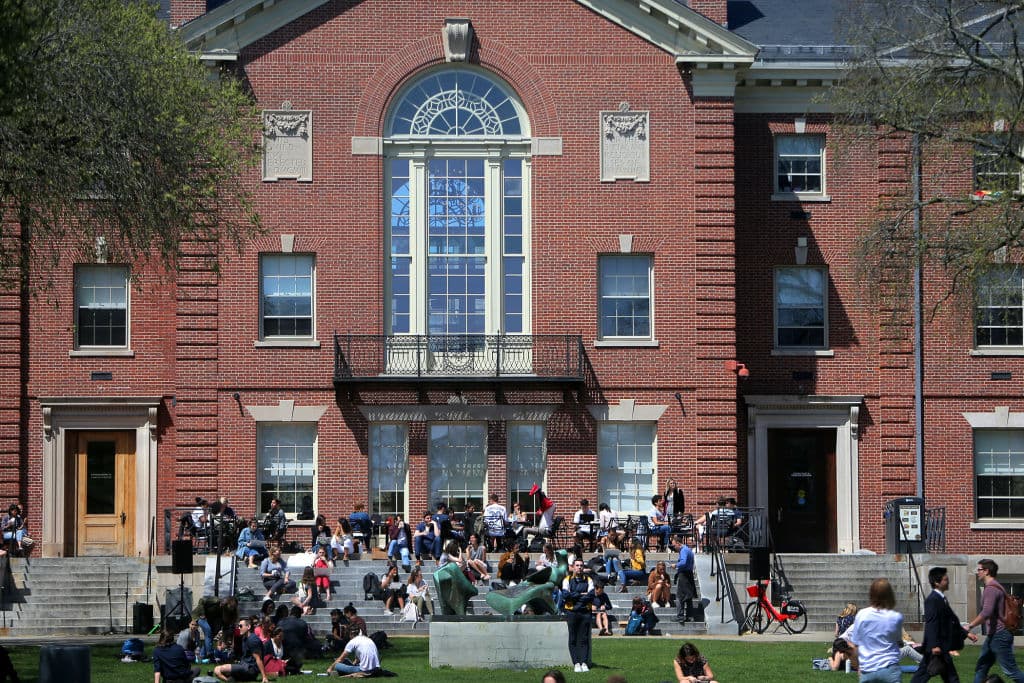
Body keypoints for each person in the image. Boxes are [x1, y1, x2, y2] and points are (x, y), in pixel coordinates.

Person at [910, 566, 976, 683]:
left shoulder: (941, 599)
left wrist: (966, 633)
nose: (948, 581)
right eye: (945, 580)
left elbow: (952, 621)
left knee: (950, 678)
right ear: (937, 583)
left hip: (941, 647)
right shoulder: (932, 600)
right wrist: (935, 646)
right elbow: (932, 624)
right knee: (922, 678)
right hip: (935, 648)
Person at [966, 559, 1024, 683]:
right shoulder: (996, 587)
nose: (978, 572)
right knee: (981, 667)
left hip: (999, 635)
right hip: (994, 635)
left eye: (979, 569)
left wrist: (969, 626)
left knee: (1011, 671)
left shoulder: (991, 589)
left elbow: (986, 612)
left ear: (986, 571)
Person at [848, 578, 904, 682]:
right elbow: (898, 641)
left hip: (867, 669)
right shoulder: (896, 617)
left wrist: (858, 666)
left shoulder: (861, 614)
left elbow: (855, 645)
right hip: (890, 667)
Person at [562, 558, 595, 673]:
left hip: (585, 612)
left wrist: (574, 595)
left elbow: (591, 596)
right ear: (573, 567)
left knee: (584, 638)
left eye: (581, 565)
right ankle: (576, 663)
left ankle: (584, 663)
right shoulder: (567, 579)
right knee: (573, 638)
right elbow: (566, 595)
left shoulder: (589, 580)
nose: (579, 567)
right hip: (571, 612)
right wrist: (581, 594)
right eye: (577, 565)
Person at [213, 616, 268, 683]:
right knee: (221, 672)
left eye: (241, 626)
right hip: (243, 665)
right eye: (238, 626)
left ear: (248, 627)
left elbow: (258, 658)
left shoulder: (253, 640)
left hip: (249, 669)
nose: (239, 628)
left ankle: (231, 680)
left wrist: (264, 677)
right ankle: (231, 680)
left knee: (217, 669)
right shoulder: (245, 638)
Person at [671, 534, 697, 624]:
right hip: (689, 574)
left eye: (674, 545)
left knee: (680, 597)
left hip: (684, 575)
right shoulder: (688, 550)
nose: (674, 547)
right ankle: (690, 616)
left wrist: (675, 565)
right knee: (688, 596)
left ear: (678, 543)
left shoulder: (683, 550)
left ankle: (680, 616)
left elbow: (683, 562)